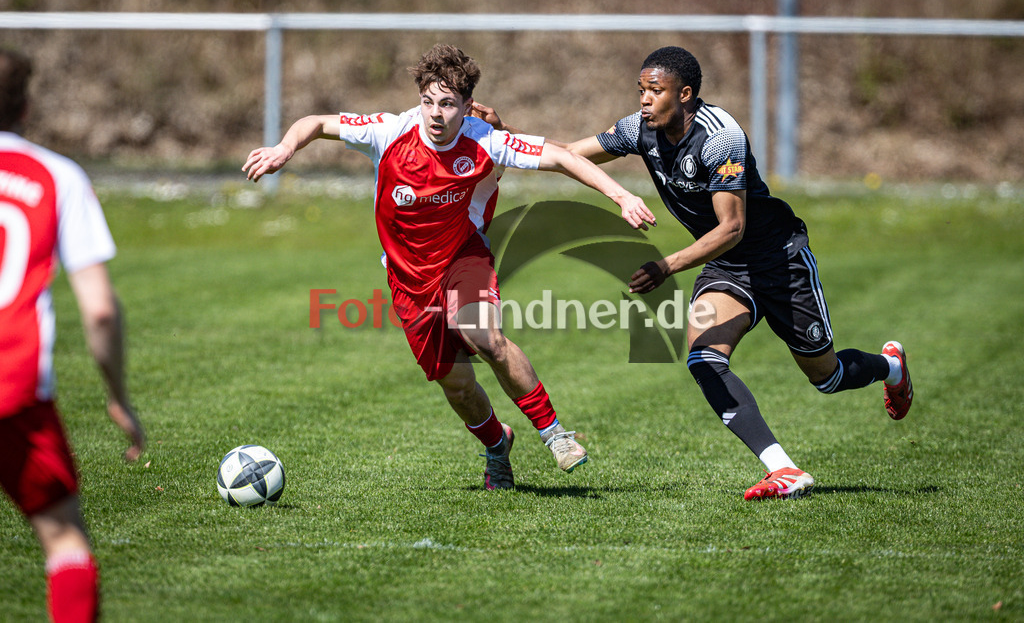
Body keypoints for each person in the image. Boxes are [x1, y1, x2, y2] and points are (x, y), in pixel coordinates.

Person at [473, 45, 914, 501]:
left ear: (684, 94)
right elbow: (567, 155)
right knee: (704, 359)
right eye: (641, 90)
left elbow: (732, 228)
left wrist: (667, 266)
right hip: (726, 268)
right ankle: (782, 469)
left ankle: (891, 366)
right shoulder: (638, 129)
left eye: (655, 91)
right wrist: (508, 133)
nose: (644, 100)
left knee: (828, 377)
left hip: (778, 259)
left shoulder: (720, 138)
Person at [243, 44, 656, 490]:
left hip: (464, 257)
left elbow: (562, 158)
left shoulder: (483, 139)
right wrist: (285, 147)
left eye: (447, 104)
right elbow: (317, 123)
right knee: (455, 385)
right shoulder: (390, 131)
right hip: (407, 278)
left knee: (484, 335)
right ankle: (498, 445)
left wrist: (621, 196)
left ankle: (554, 434)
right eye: (428, 101)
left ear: (466, 106)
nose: (435, 114)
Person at [0, 48, 145, 622]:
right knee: (64, 542)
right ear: (27, 106)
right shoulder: (57, 176)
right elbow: (101, 311)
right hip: (13, 388)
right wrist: (118, 397)